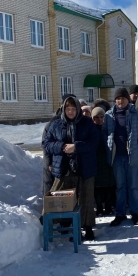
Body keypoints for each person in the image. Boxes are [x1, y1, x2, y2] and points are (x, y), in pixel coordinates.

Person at [43, 95, 99, 241]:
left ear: (78, 109)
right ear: (64, 109)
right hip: (64, 167)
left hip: (84, 166)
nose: (71, 111)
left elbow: (94, 141)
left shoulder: (86, 123)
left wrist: (77, 147)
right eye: (68, 108)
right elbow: (47, 144)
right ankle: (69, 227)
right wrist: (61, 146)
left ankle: (88, 228)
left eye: (74, 108)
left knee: (85, 198)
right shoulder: (56, 124)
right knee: (63, 198)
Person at [102, 87, 138, 226]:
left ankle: (135, 213)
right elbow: (104, 132)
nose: (120, 101)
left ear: (127, 99)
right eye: (117, 98)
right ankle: (120, 214)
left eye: (122, 98)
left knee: (133, 186)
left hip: (133, 157)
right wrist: (109, 145)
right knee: (120, 186)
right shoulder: (109, 115)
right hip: (117, 157)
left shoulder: (136, 114)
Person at [92, 106, 116, 216]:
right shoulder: (92, 130)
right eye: (96, 117)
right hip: (96, 161)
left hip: (107, 160)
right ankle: (99, 207)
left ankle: (108, 206)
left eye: (102, 117)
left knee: (108, 186)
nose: (99, 119)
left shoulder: (107, 129)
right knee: (97, 188)